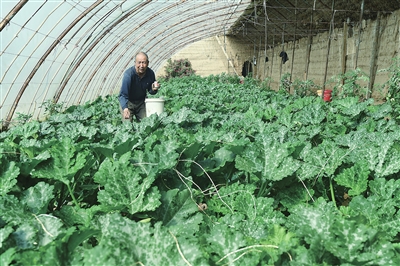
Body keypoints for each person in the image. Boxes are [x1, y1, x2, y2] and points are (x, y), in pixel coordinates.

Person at [118, 51, 160, 121]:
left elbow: (151, 91)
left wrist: (153, 89)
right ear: (135, 63)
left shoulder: (150, 73)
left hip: (141, 102)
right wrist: (125, 108)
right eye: (139, 62)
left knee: (146, 124)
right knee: (127, 126)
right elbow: (123, 95)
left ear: (148, 63)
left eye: (144, 62)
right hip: (128, 102)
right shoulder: (129, 75)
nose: (141, 65)